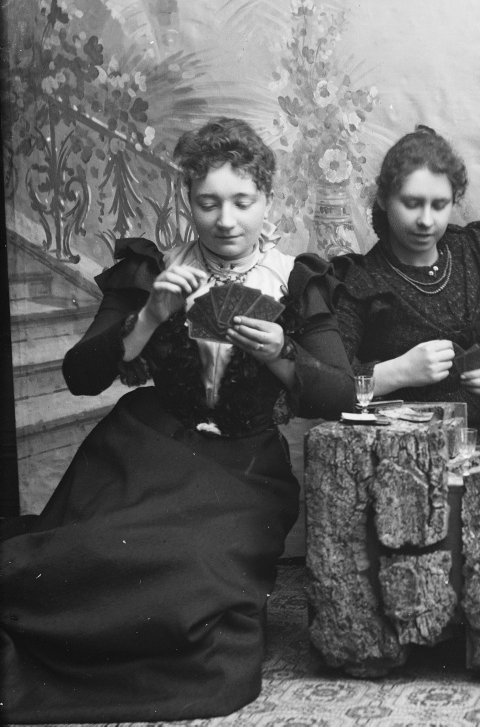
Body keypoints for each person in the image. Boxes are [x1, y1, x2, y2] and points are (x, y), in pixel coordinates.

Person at [0, 118, 355, 723]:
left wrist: (282, 353)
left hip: (243, 468)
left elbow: (342, 392)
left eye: (243, 202)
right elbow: (80, 376)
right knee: (87, 562)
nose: (226, 220)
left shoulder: (296, 280)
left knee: (190, 575)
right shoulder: (152, 269)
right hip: (144, 450)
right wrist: (147, 316)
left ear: (267, 200)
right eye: (207, 202)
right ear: (186, 199)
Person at [333, 126, 480, 429]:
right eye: (412, 204)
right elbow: (330, 387)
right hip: (408, 440)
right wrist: (399, 372)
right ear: (384, 199)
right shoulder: (361, 280)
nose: (426, 221)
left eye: (439, 205)